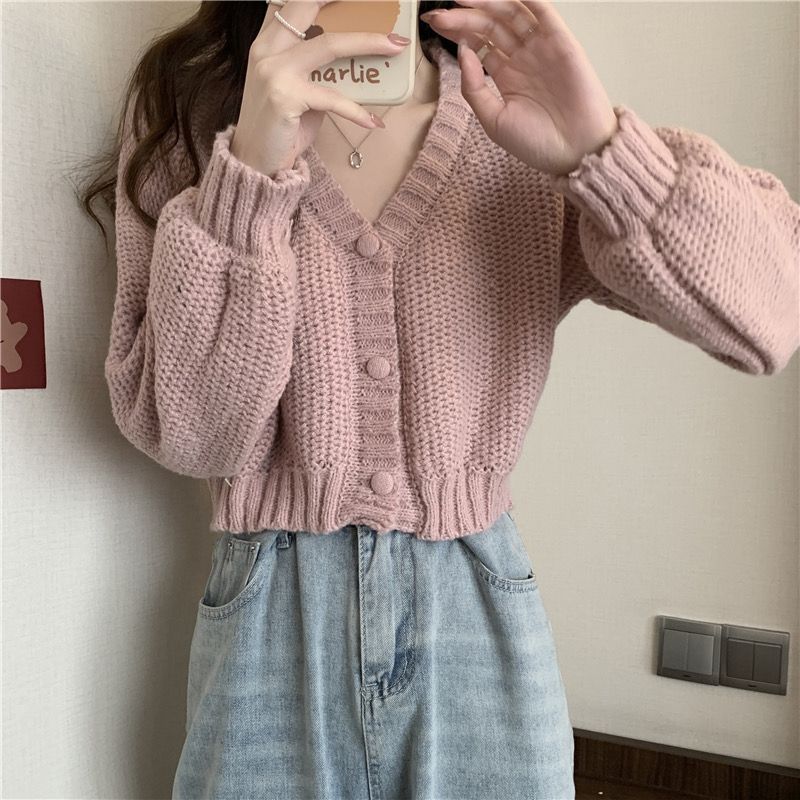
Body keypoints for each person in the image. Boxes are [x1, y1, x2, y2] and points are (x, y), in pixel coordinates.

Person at [81, 0, 799, 797]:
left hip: (476, 628)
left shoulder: (509, 116)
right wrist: (248, 175)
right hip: (268, 635)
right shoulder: (187, 108)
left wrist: (600, 150)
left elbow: (772, 313)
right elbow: (188, 433)